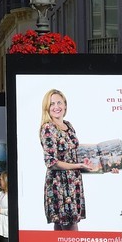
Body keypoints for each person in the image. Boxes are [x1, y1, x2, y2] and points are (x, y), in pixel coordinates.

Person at [39, 88, 87, 230]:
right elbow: (51, 162)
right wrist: (77, 166)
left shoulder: (69, 125)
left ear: (65, 105)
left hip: (74, 182)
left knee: (63, 230)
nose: (56, 107)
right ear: (47, 108)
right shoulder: (48, 128)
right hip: (59, 184)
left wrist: (103, 166)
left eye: (59, 102)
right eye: (52, 104)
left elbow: (75, 154)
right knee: (70, 228)